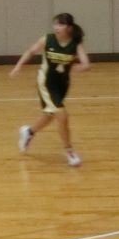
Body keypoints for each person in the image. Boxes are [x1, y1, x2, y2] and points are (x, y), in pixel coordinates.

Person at [11, 12, 91, 167]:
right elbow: (31, 51)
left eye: (60, 24)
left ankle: (29, 132)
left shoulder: (75, 43)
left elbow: (86, 64)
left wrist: (75, 67)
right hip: (46, 83)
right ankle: (69, 151)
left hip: (62, 84)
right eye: (55, 24)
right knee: (62, 115)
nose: (57, 27)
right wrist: (18, 66)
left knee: (49, 115)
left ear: (69, 27)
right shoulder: (48, 39)